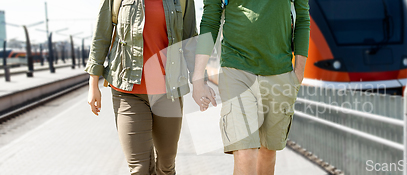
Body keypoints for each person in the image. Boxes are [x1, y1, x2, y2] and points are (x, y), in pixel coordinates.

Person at [192, 0, 310, 174]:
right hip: (237, 68)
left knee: (267, 154)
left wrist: (298, 73)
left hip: (279, 70)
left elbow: (302, 18)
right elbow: (210, 18)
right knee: (245, 153)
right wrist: (198, 76)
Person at [84, 0, 198, 174]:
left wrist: (199, 83)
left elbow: (191, 39)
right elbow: (101, 35)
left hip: (168, 92)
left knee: (166, 165)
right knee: (139, 168)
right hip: (128, 91)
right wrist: (93, 84)